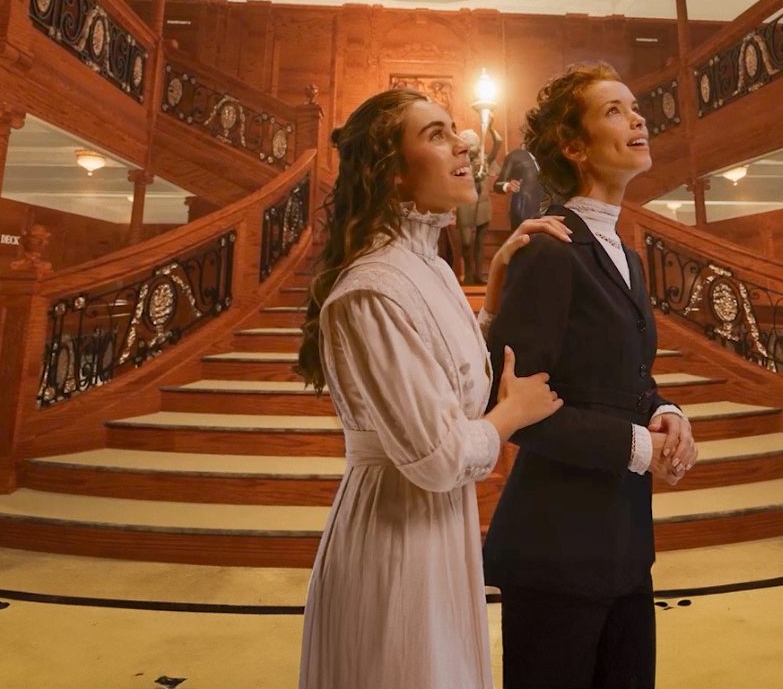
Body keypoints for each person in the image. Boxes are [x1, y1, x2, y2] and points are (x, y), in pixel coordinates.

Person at [295, 88, 569, 689]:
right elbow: (440, 456)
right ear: (392, 174)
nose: (465, 142)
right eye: (437, 134)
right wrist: (511, 415)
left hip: (439, 529)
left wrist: (494, 285)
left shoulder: (433, 266)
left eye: (456, 129)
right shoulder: (371, 289)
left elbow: (449, 372)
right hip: (395, 540)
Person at [485, 63, 697, 689]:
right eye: (613, 111)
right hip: (556, 542)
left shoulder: (626, 254)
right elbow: (517, 406)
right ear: (573, 147)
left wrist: (667, 413)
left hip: (625, 535)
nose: (637, 118)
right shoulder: (547, 248)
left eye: (635, 106)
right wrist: (639, 447)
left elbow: (625, 376)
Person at [453, 127, 496, 285]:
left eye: (473, 146)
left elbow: (498, 144)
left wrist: (489, 126)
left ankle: (478, 274)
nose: (471, 149)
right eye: (468, 146)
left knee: (480, 243)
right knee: (466, 243)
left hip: (483, 206)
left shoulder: (484, 160)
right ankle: (469, 274)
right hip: (464, 206)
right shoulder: (458, 162)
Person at [495, 139, 545, 229]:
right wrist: (508, 186)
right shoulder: (516, 156)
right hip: (523, 208)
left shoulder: (545, 158)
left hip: (541, 208)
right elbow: (497, 184)